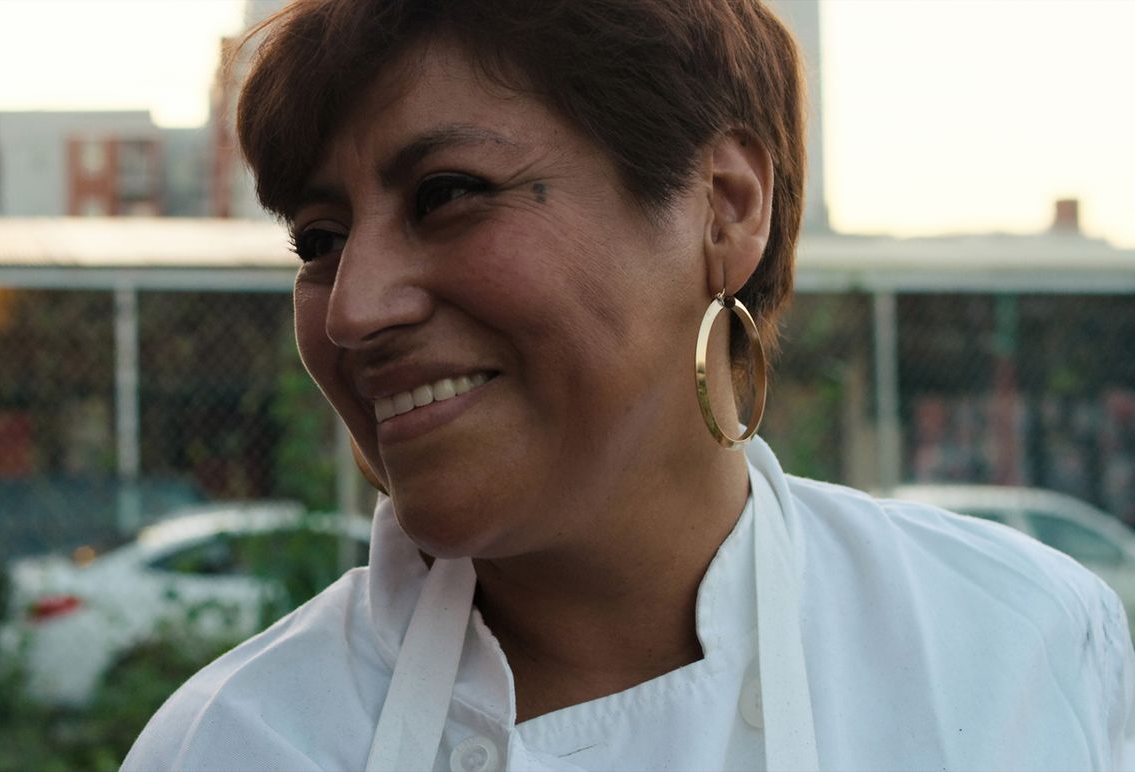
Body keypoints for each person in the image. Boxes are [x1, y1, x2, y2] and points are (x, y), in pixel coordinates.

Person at [123, 1, 1135, 769]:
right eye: (319, 241)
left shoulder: (1018, 648)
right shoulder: (238, 741)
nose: (353, 309)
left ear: (724, 208)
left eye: (448, 194)